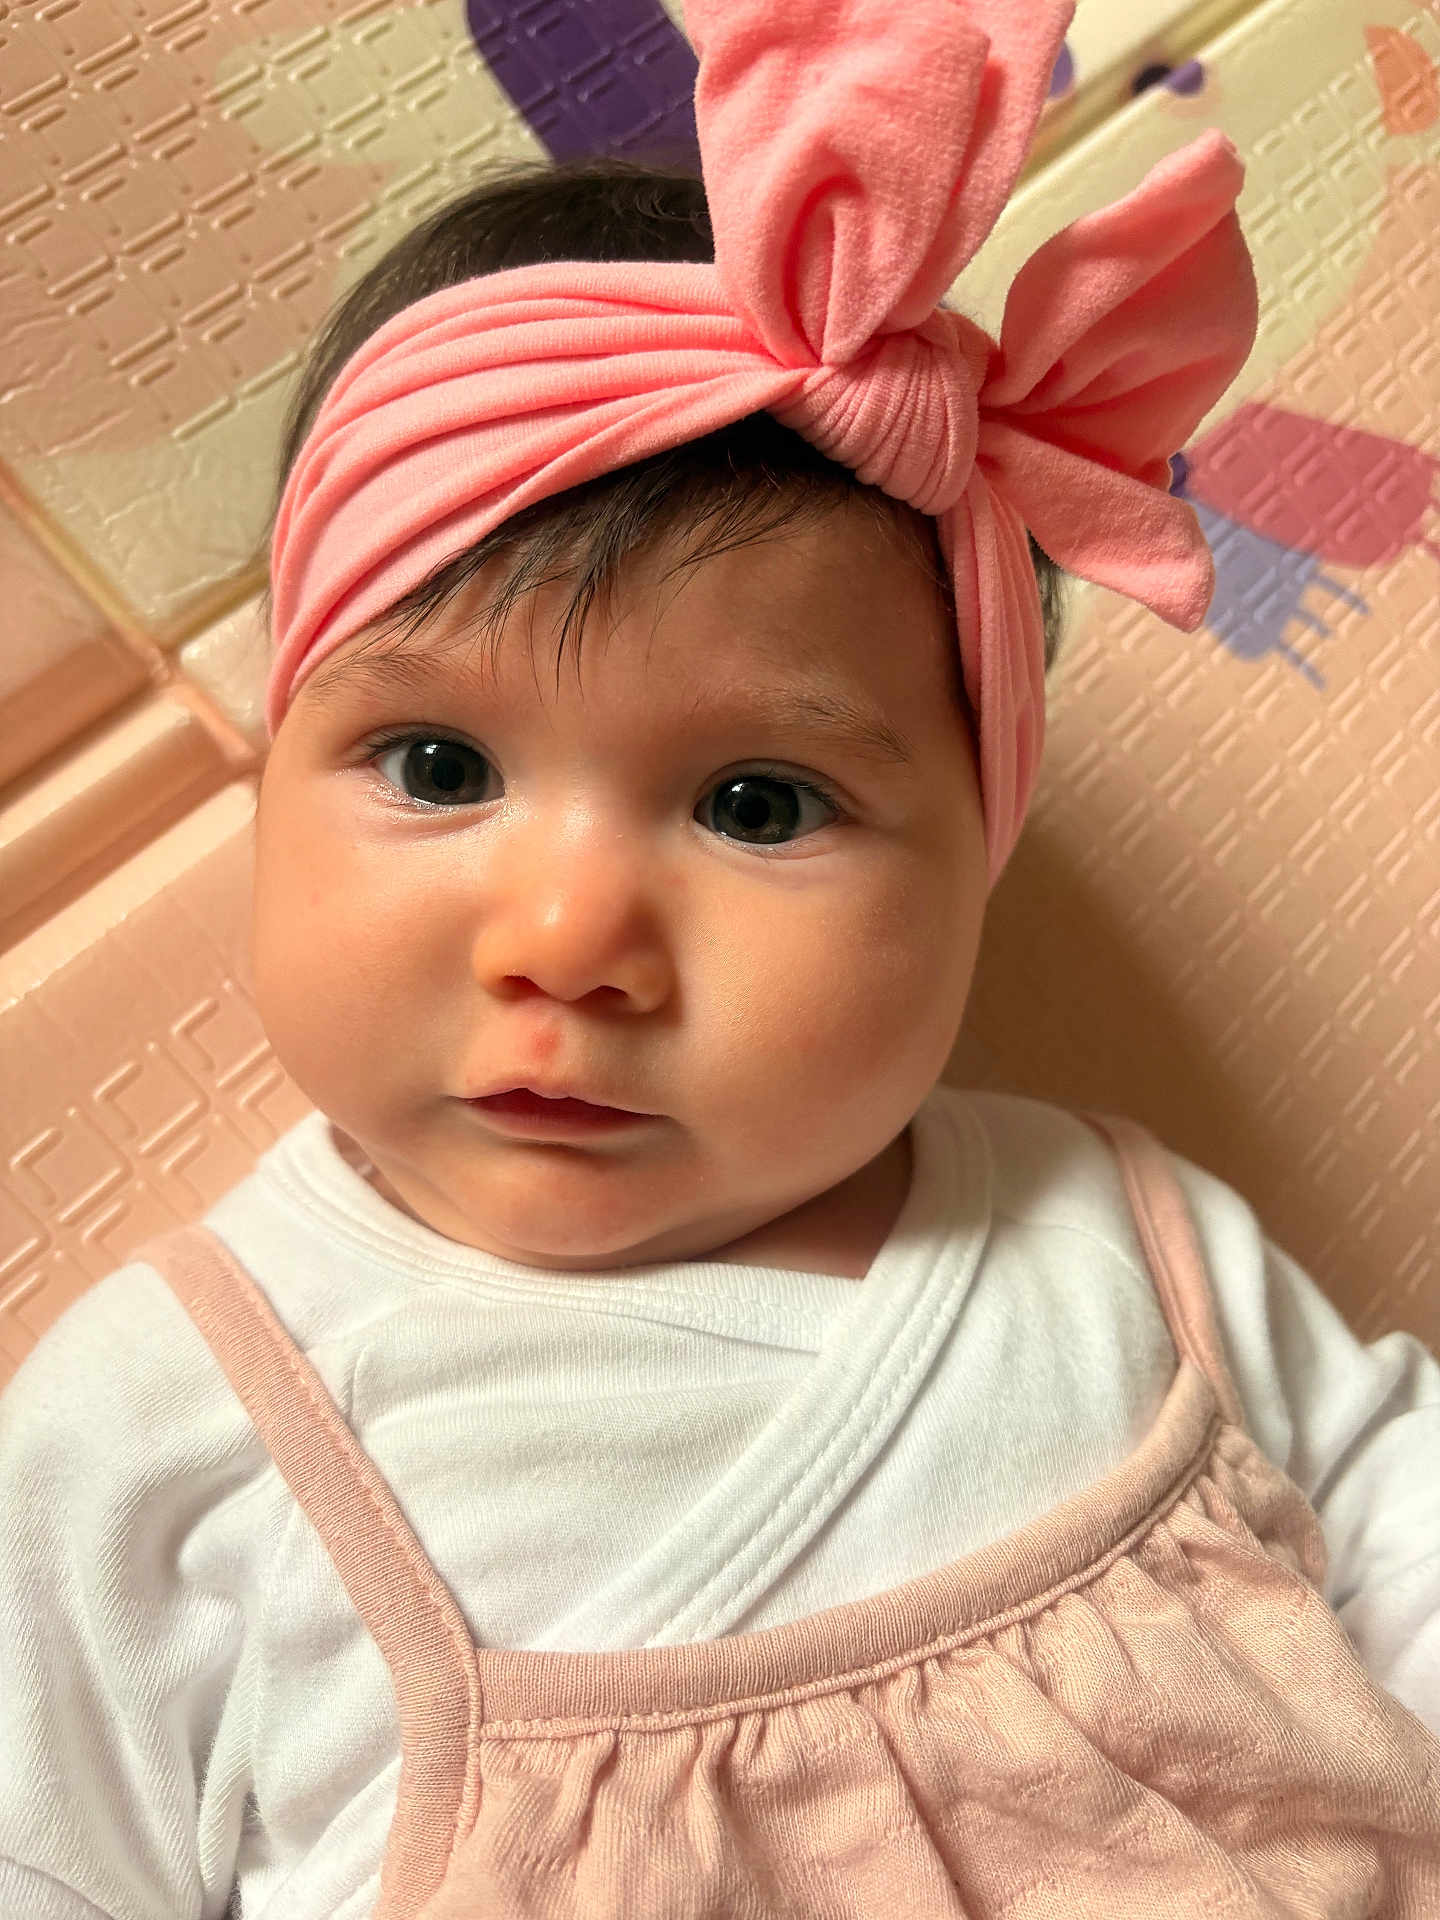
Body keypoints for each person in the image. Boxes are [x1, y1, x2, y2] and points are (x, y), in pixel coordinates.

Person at [2, 1, 1438, 1914]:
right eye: (437, 767)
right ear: (272, 782)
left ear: (974, 859)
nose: (574, 941)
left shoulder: (1122, 1246)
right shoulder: (160, 1443)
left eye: (759, 806)